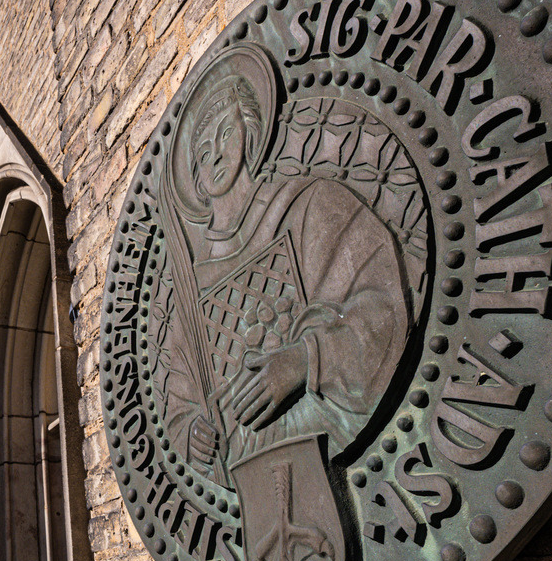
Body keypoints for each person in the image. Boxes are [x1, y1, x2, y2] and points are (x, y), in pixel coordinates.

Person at [163, 70, 410, 485]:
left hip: (328, 432)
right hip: (249, 467)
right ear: (197, 183)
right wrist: (191, 432)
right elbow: (179, 399)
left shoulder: (311, 206)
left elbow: (381, 305)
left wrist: (306, 359)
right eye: (203, 154)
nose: (218, 155)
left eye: (226, 133)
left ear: (250, 128)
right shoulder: (193, 290)